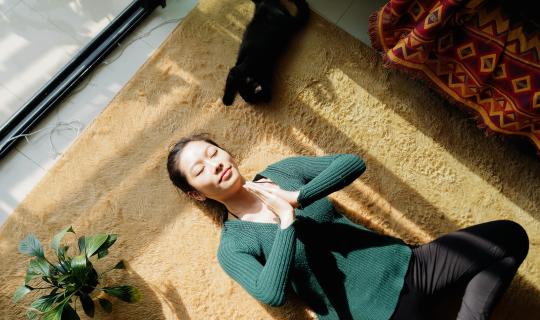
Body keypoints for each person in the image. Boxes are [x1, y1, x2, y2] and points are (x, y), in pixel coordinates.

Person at [166, 133, 529, 320]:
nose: (213, 165)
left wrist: (298, 197)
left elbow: (351, 163)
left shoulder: (283, 171)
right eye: (199, 170)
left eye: (212, 153)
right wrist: (286, 224)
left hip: (411, 264)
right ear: (196, 194)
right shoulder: (233, 246)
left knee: (509, 236)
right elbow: (271, 294)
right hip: (372, 314)